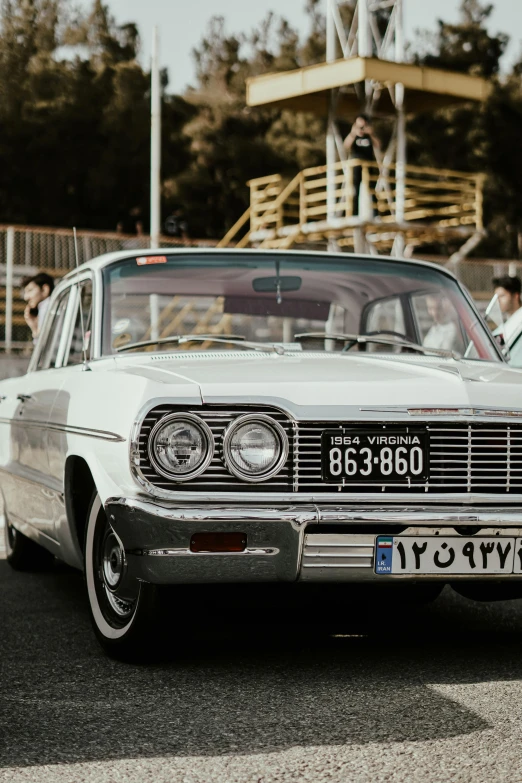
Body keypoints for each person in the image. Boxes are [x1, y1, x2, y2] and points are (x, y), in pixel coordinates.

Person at [343, 113, 381, 217]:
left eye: (363, 126)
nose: (361, 128)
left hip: (369, 166)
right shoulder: (353, 136)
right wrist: (353, 133)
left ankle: (375, 214)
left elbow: (378, 145)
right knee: (355, 191)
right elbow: (346, 145)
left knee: (372, 190)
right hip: (356, 167)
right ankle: (354, 214)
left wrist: (371, 134)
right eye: (359, 126)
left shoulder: (370, 136)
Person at [22, 272, 54, 341]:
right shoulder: (52, 306)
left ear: (44, 289)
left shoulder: (46, 307)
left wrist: (35, 331)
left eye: (30, 290)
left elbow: (43, 346)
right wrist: (35, 327)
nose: (26, 297)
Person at [492, 275, 522, 343]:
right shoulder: (509, 321)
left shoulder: (518, 321)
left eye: (502, 296)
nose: (498, 301)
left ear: (516, 296)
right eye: (496, 297)